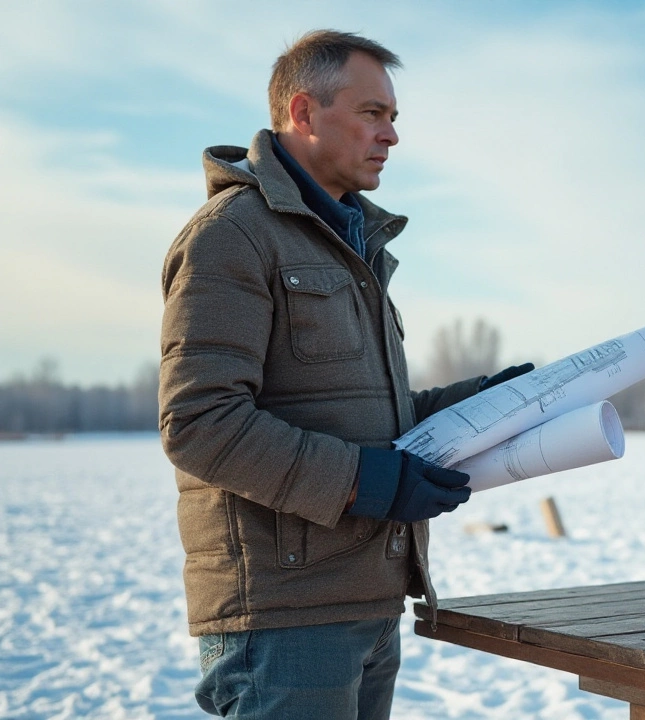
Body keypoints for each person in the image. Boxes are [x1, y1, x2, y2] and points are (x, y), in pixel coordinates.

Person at [158, 30, 532, 719]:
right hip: (285, 617)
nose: (391, 136)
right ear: (303, 113)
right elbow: (200, 423)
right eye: (373, 113)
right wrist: (370, 480)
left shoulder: (350, 246)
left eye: (393, 118)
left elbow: (371, 414)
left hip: (365, 595)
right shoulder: (231, 236)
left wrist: (483, 402)